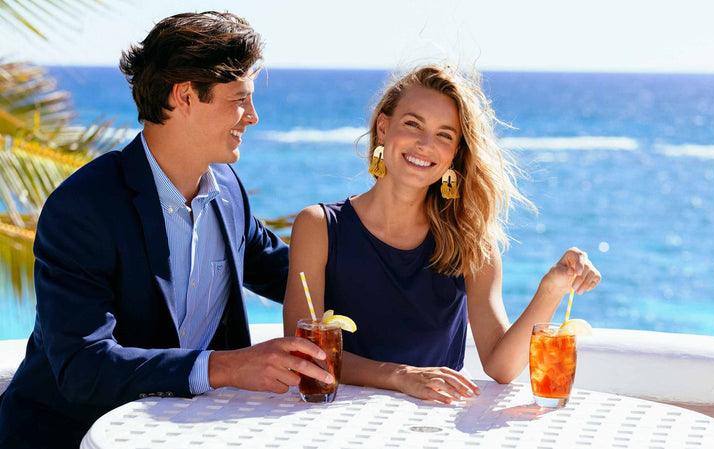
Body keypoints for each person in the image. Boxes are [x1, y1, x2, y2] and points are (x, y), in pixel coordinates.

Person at [0, 12, 333, 449]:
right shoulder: (84, 208)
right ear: (185, 96)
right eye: (239, 99)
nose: (252, 116)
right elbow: (82, 366)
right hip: (67, 437)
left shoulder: (228, 191)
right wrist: (227, 367)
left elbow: (293, 272)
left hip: (178, 435)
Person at [283, 64, 601, 403]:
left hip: (435, 423)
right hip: (332, 421)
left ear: (454, 155)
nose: (424, 144)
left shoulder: (469, 241)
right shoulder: (318, 226)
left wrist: (551, 289)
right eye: (412, 124)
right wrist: (400, 376)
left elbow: (502, 365)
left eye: (444, 135)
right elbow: (307, 355)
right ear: (383, 126)